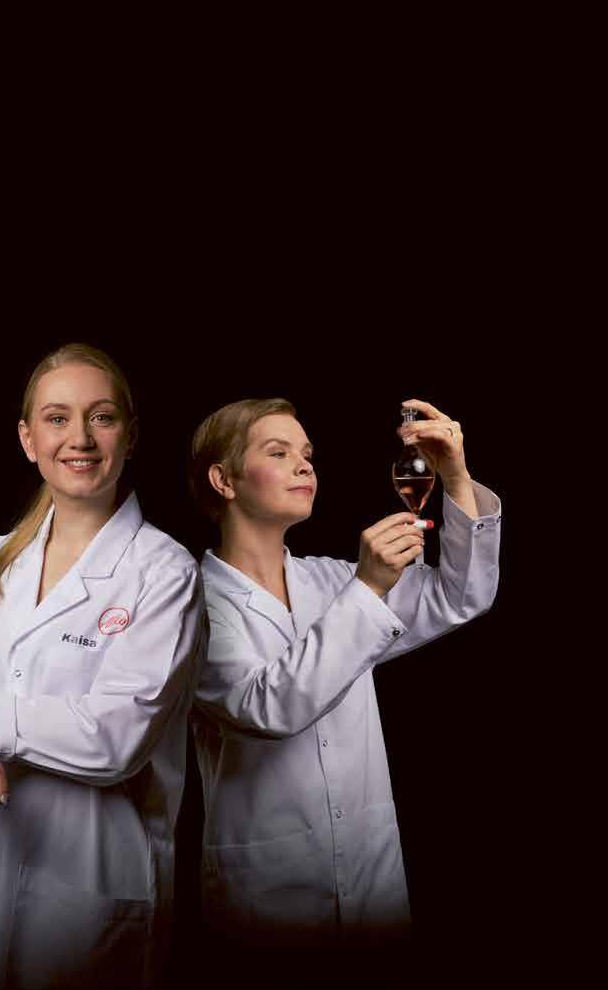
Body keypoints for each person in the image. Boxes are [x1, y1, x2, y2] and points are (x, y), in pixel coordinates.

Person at [0, 343, 207, 990]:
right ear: (28, 439)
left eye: (101, 416)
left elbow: (113, 739)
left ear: (130, 435)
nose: (80, 437)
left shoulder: (163, 571)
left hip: (87, 893)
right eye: (57, 418)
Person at [189, 396, 501, 984]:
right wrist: (369, 588)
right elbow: (269, 706)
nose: (304, 464)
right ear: (223, 480)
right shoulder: (193, 605)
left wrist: (456, 478)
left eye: (306, 453)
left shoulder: (332, 580)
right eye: (278, 452)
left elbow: (461, 595)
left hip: (374, 885)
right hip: (268, 901)